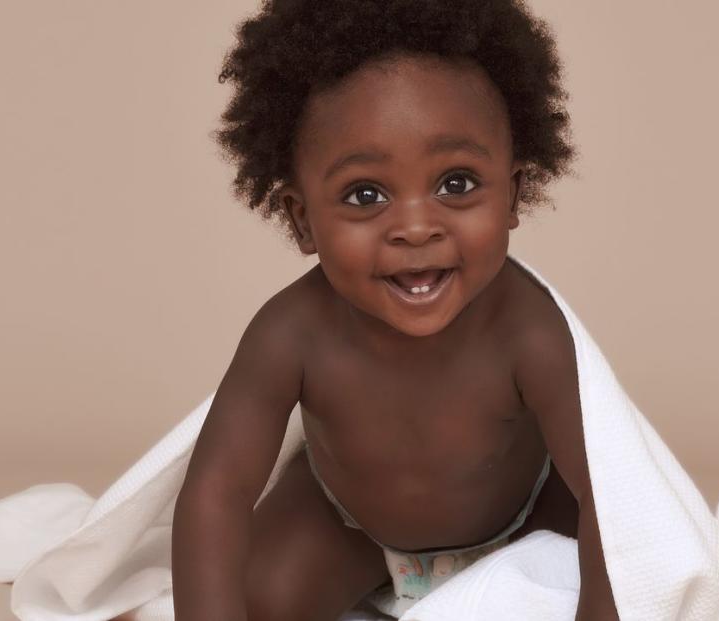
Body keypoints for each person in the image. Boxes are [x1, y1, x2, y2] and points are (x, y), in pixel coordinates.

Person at [172, 1, 619, 619]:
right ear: (302, 219)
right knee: (257, 596)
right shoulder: (290, 334)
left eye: (456, 183)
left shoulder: (530, 332)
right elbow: (216, 492)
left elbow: (610, 490)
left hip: (523, 518)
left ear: (515, 193)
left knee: (611, 571)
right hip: (348, 524)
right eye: (366, 194)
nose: (415, 227)